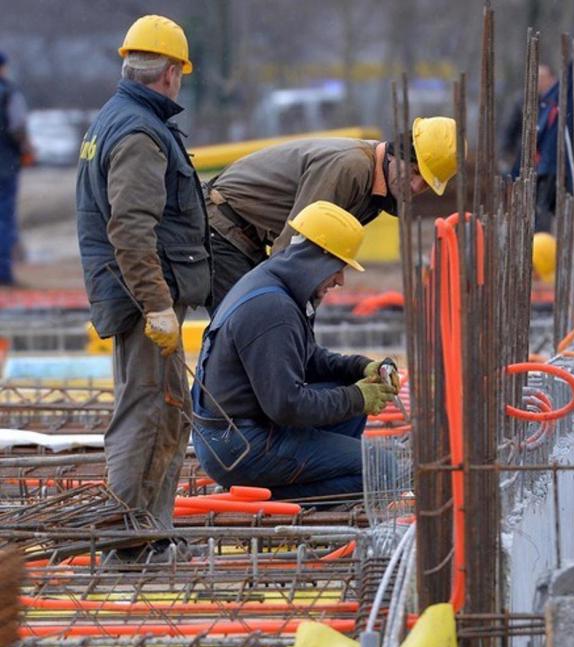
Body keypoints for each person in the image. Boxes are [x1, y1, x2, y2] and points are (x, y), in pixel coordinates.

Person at [76, 15, 209, 561]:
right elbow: (129, 229)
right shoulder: (138, 132)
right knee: (148, 415)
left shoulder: (119, 118)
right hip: (141, 299)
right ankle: (128, 545)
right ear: (172, 72)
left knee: (166, 411)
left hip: (133, 293)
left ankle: (149, 535)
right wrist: (156, 305)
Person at [191, 201, 400, 503]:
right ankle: (266, 497)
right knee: (383, 469)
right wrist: (356, 397)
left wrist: (359, 369)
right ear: (319, 259)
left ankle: (310, 476)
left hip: (234, 434)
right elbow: (286, 405)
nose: (340, 280)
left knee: (349, 408)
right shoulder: (273, 309)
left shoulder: (274, 285)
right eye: (339, 267)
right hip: (238, 447)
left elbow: (308, 359)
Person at [202, 116, 458, 312]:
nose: (414, 187)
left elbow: (320, 255)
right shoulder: (352, 168)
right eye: (413, 172)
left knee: (262, 320)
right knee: (250, 323)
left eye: (424, 183)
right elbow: (295, 243)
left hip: (245, 234)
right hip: (223, 224)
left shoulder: (375, 189)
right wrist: (295, 311)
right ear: (394, 154)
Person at [509, 64, 572, 233]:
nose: (539, 83)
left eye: (542, 79)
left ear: (552, 78)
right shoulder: (525, 101)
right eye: (536, 79)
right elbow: (511, 130)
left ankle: (543, 239)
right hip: (531, 163)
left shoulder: (560, 101)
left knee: (546, 207)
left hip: (550, 165)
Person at [0, 51, 32, 286]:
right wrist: (27, 150)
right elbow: (17, 127)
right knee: (4, 217)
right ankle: (4, 272)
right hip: (5, 166)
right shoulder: (9, 93)